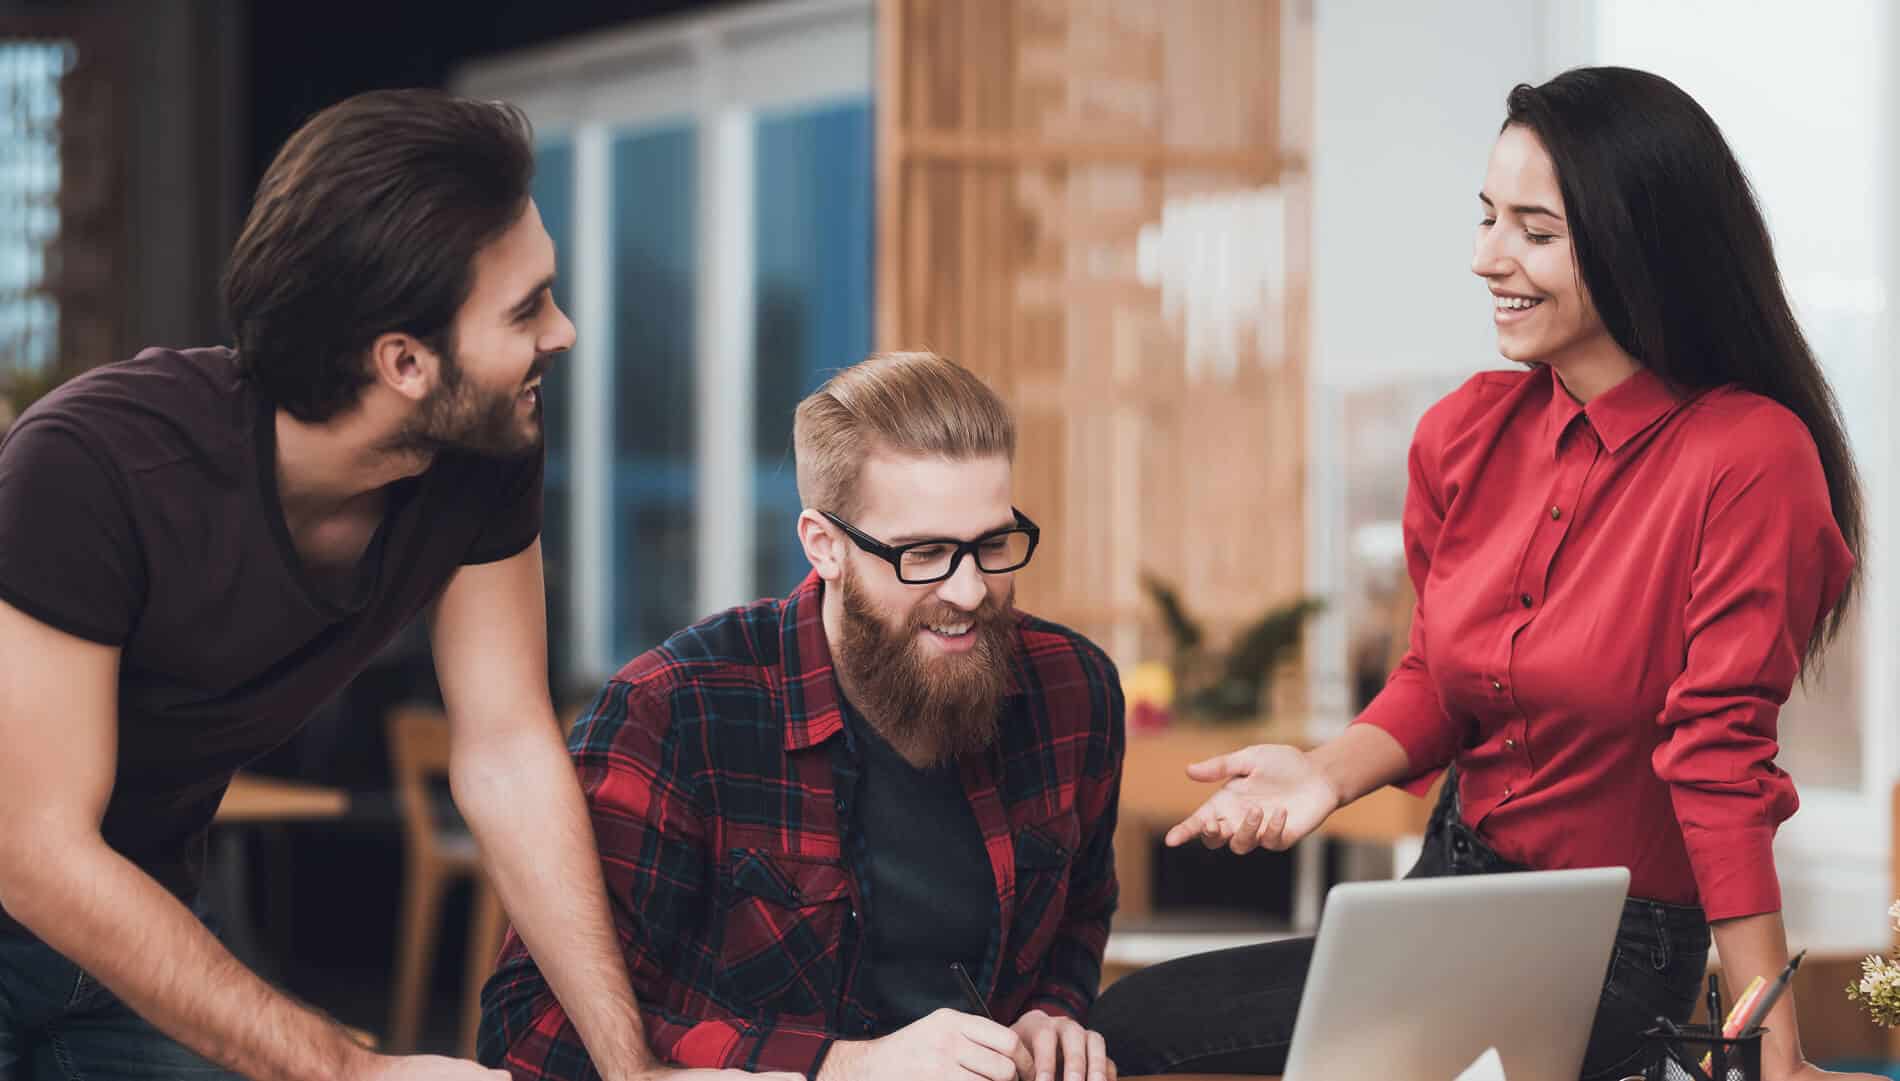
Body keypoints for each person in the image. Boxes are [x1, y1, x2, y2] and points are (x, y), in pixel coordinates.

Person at [1089, 66, 1877, 1081]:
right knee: (1124, 1028)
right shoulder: (1465, 432)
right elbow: (1436, 677)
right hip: (1447, 891)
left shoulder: (1748, 456)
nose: (1486, 258)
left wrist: (1771, 1050)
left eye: (1535, 233)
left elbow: (1719, 757)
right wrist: (1325, 772)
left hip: (1608, 949)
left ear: (1641, 245)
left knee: (1143, 1041)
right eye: (1487, 217)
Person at [0, 89, 771, 1081]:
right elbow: (34, 849)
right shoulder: (91, 465)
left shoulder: (482, 451)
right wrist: (354, 1068)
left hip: (129, 927)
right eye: (527, 307)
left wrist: (634, 1066)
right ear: (404, 361)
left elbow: (507, 750)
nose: (565, 331)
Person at [480, 352, 1124, 1081]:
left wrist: (1052, 1010)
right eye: (926, 553)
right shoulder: (672, 714)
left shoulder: (1076, 688)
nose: (971, 591)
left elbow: (1081, 911)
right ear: (825, 547)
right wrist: (845, 1067)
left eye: (993, 544)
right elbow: (530, 1030)